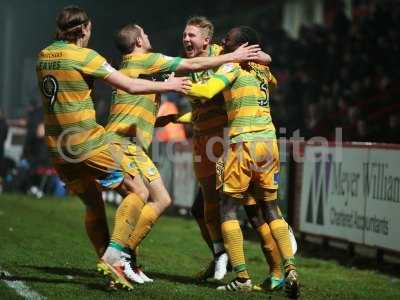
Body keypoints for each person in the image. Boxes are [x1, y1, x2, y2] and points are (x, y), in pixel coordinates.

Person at [36, 5, 190, 290]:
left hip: (59, 149)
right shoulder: (86, 56)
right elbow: (129, 85)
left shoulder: (44, 55)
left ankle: (110, 266)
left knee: (93, 204)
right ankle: (115, 258)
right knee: (138, 191)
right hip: (87, 144)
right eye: (90, 29)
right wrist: (169, 86)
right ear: (83, 30)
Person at [99, 22, 261, 285]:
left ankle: (126, 260)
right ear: (139, 41)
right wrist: (173, 88)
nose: (185, 38)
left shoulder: (216, 55)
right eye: (184, 33)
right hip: (127, 144)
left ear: (207, 40)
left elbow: (258, 63)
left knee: (230, 206)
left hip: (222, 143)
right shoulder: (154, 62)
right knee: (153, 199)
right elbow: (192, 75)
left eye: (191, 34)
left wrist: (174, 115)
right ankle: (121, 257)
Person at [187, 26, 299, 297]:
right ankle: (290, 270)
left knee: (227, 208)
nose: (222, 43)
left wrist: (176, 83)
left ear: (241, 46)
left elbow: (207, 90)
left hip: (243, 143)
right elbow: (273, 82)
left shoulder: (231, 66)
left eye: (227, 41)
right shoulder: (262, 70)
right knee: (270, 208)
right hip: (269, 143)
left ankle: (242, 277)